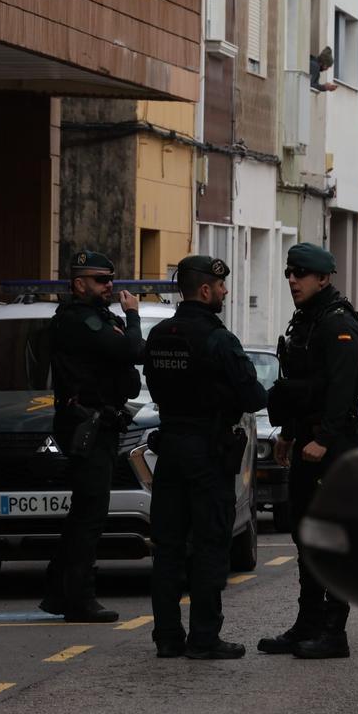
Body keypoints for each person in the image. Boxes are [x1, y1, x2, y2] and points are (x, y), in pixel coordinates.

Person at [144, 256, 267, 659]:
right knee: (211, 543)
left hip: (170, 448)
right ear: (204, 290)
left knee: (168, 546)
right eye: (220, 286)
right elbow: (252, 395)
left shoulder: (160, 334)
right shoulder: (218, 339)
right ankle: (203, 637)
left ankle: (166, 636)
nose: (225, 292)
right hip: (207, 452)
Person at [259, 242, 358, 659]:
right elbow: (300, 383)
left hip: (332, 445)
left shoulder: (338, 322)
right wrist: (288, 432)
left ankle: (333, 630)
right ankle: (307, 623)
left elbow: (341, 389)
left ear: (323, 278)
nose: (292, 280)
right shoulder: (307, 320)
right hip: (308, 437)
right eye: (289, 273)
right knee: (304, 534)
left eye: (300, 274)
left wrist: (323, 437)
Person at [41, 250, 145, 622]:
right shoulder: (77, 320)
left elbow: (132, 358)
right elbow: (132, 349)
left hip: (102, 423)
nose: (109, 287)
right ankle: (79, 597)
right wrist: (133, 315)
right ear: (79, 283)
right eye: (101, 281)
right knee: (90, 514)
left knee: (85, 513)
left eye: (111, 280)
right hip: (87, 425)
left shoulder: (100, 318)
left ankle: (59, 591)